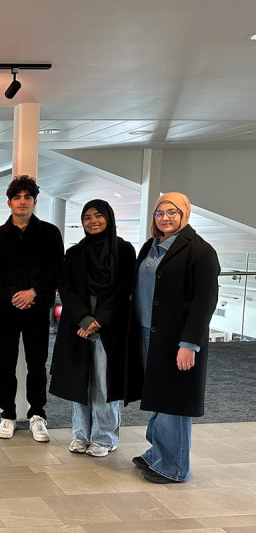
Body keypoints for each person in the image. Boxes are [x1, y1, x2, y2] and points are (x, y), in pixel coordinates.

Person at [125, 192, 219, 483]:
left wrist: (189, 344)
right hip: (147, 332)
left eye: (172, 212)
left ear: (185, 214)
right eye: (159, 213)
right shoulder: (151, 247)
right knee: (158, 395)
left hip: (176, 339)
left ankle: (174, 467)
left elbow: (205, 302)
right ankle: (158, 454)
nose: (165, 217)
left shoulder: (200, 251)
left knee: (174, 401)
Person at [49, 200, 135, 457]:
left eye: (98, 216)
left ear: (109, 217)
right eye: (87, 217)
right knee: (81, 380)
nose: (92, 221)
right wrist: (84, 319)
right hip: (79, 326)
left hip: (111, 327)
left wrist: (100, 320)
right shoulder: (75, 253)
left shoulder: (124, 250)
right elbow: (66, 288)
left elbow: (124, 289)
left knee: (104, 383)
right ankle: (80, 435)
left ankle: (105, 437)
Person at [0, 175, 63, 442]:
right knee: (5, 365)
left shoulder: (50, 233)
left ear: (34, 201)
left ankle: (37, 414)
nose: (22, 202)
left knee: (37, 364)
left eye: (27, 197)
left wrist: (33, 293)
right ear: (9, 202)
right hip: (6, 310)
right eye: (17, 197)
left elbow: (55, 270)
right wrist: (12, 297)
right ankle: (8, 414)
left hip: (37, 309)